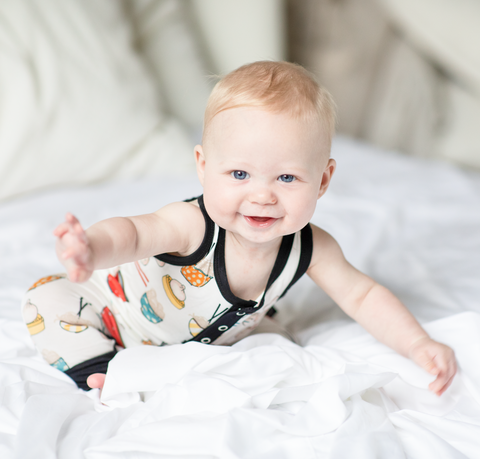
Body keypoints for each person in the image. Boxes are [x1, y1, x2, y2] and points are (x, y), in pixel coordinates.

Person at [22, 61, 457, 395]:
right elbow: (135, 233)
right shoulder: (192, 224)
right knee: (44, 300)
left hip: (213, 338)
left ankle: (184, 370)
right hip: (118, 314)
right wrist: (92, 248)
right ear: (204, 167)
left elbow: (363, 295)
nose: (263, 196)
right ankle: (100, 373)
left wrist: (418, 345)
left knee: (278, 351)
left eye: (287, 178)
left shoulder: (312, 247)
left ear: (323, 180)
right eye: (239, 175)